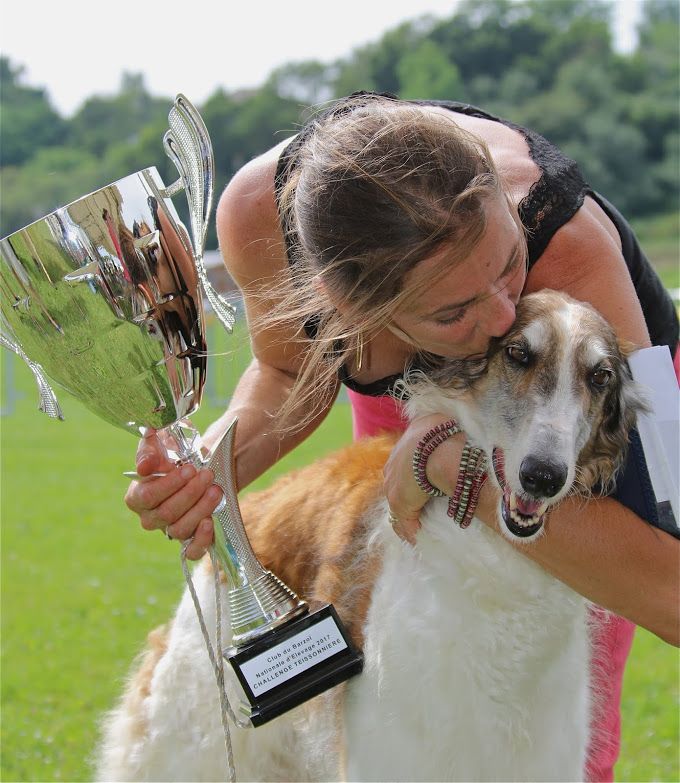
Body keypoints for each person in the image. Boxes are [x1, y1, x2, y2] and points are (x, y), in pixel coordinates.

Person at [125, 92, 680, 781]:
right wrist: (210, 469)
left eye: (509, 263)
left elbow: (670, 589)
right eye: (455, 309)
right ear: (353, 312)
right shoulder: (256, 217)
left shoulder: (566, 251)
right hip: (420, 399)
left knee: (543, 717)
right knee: (402, 687)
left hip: (586, 400)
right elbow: (287, 367)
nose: (506, 311)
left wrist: (449, 462)